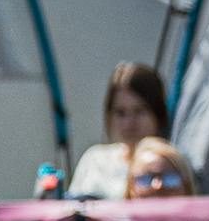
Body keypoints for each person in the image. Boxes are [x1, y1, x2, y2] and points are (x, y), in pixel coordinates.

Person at [65, 63, 169, 200]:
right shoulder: (94, 159)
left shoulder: (172, 164)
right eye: (121, 113)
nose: (129, 123)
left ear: (158, 114)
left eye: (139, 111)